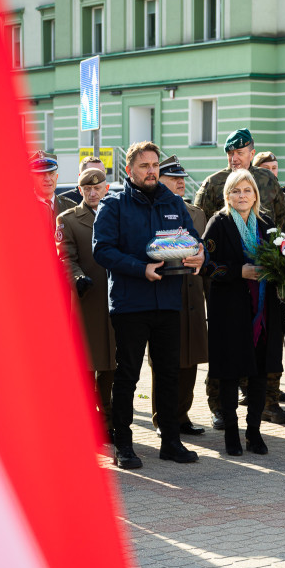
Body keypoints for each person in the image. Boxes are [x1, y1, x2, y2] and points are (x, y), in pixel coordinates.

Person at [92, 141, 204, 469]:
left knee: (169, 373)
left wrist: (201, 254)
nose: (151, 171)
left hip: (168, 301)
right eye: (144, 166)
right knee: (127, 375)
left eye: (155, 165)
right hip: (131, 303)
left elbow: (192, 239)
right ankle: (124, 445)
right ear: (130, 170)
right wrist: (141, 269)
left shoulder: (173, 202)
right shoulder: (113, 204)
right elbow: (102, 250)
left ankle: (170, 442)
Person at [194, 128, 285, 427]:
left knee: (264, 340)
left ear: (252, 152)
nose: (234, 158)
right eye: (230, 153)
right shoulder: (213, 183)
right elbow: (201, 230)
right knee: (226, 343)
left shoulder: (268, 181)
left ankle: (267, 402)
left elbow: (281, 222)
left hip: (263, 280)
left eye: (240, 152)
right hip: (227, 281)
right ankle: (219, 406)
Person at [202, 169, 284, 455]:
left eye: (247, 190)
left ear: (255, 195)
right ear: (227, 195)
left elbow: (279, 259)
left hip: (263, 308)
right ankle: (232, 436)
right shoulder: (219, 222)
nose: (242, 196)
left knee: (259, 373)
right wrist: (239, 272)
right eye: (236, 191)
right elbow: (206, 264)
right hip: (230, 310)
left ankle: (254, 433)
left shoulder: (266, 223)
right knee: (229, 374)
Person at [55, 167, 116, 443]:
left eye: (97, 187)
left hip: (116, 300)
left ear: (106, 188)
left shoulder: (116, 214)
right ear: (80, 190)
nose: (93, 193)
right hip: (85, 302)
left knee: (112, 365)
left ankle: (109, 420)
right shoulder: (68, 219)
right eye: (87, 189)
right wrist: (77, 278)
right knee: (86, 365)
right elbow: (65, 257)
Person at [148, 155, 207, 437]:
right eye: (173, 178)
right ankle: (162, 418)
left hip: (192, 294)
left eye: (182, 178)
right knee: (164, 360)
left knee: (190, 357)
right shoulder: (154, 210)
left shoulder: (197, 213)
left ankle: (182, 415)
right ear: (159, 180)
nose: (180, 183)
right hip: (164, 292)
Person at [30, 150, 75, 227]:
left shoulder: (71, 207)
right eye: (41, 174)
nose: (47, 179)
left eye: (51, 174)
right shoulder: (23, 209)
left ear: (56, 177)